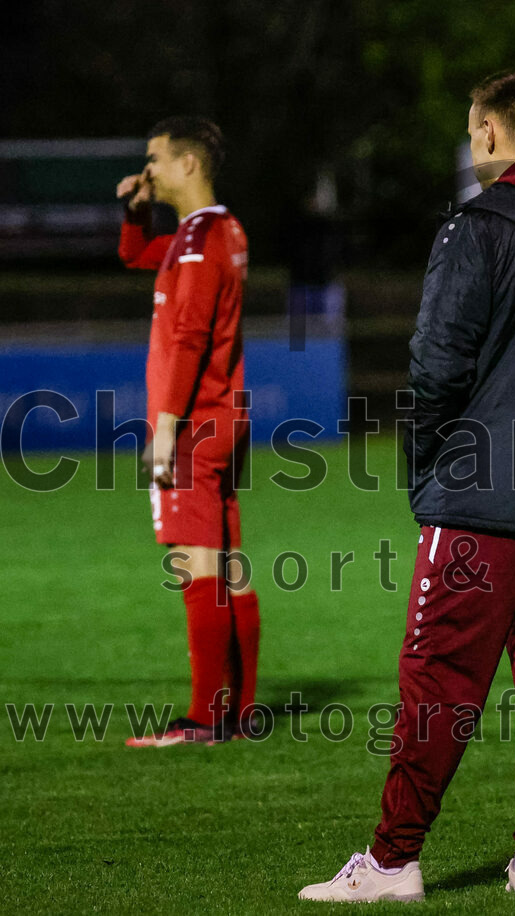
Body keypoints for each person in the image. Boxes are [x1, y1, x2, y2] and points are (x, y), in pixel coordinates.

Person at [298, 68, 515, 903]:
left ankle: (391, 864)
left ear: (492, 132)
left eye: (472, 129)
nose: (472, 142)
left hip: (478, 502)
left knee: (438, 681)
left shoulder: (477, 225)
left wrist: (436, 464)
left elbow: (435, 363)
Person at [116, 116, 261, 746]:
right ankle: (239, 710)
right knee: (228, 561)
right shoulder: (216, 232)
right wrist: (134, 212)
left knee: (192, 560)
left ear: (188, 164)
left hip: (195, 422)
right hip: (224, 415)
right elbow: (134, 255)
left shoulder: (200, 243)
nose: (147, 169)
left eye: (155, 160)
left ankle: (205, 717)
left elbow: (189, 336)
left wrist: (166, 428)